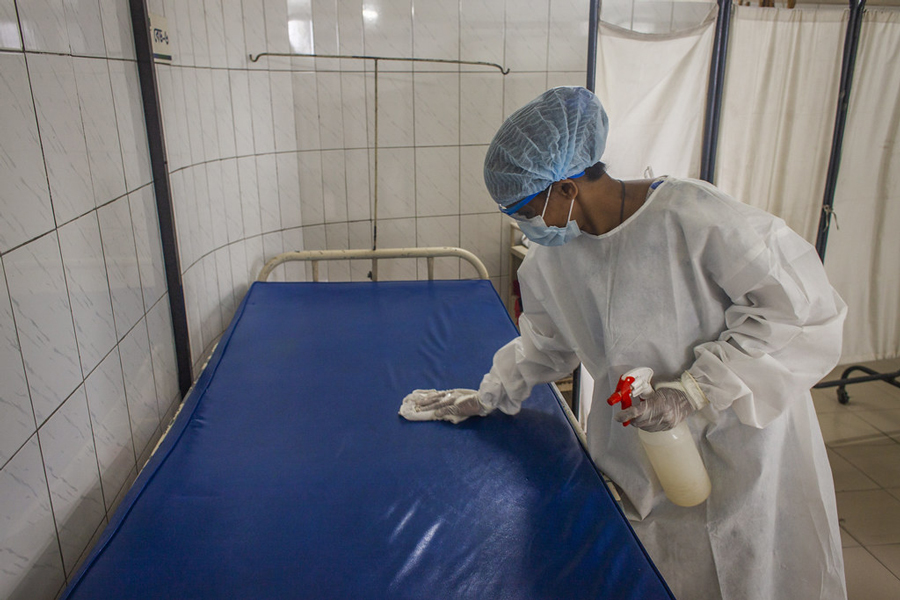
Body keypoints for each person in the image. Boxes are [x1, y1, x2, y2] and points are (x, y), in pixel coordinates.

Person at [401, 86, 848, 599]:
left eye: (524, 209)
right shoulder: (552, 261)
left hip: (743, 444)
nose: (523, 224)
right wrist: (488, 394)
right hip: (647, 452)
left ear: (567, 188)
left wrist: (694, 390)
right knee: (661, 572)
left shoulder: (695, 218)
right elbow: (546, 345)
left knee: (754, 570)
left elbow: (798, 312)